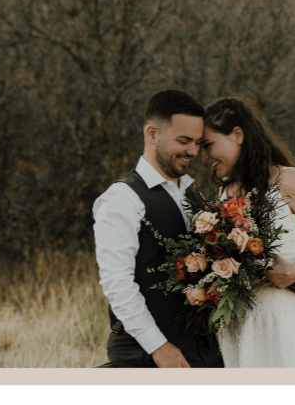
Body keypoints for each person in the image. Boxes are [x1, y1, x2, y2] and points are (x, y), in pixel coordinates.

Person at [199, 96, 295, 368]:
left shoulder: (290, 180)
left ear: (237, 135)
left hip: (288, 321)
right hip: (241, 326)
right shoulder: (225, 192)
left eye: (208, 145)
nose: (203, 157)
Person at [93, 89, 224, 368]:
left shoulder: (193, 194)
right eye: (184, 140)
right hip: (148, 356)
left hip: (203, 351)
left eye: (197, 142)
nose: (192, 150)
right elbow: (117, 283)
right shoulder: (121, 198)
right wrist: (159, 347)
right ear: (152, 134)